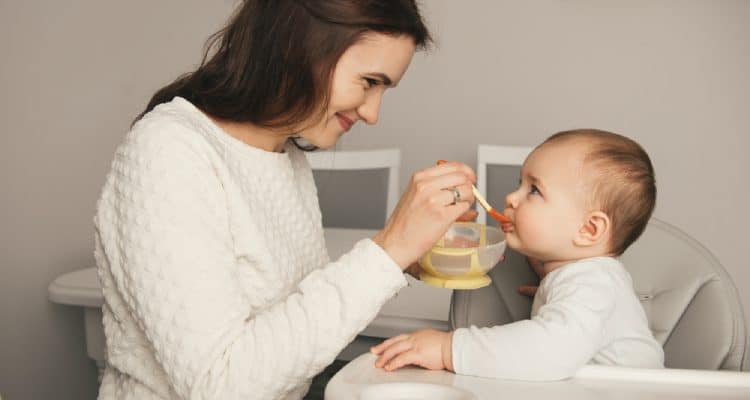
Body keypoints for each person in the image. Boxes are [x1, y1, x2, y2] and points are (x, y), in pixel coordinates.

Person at [93, 1, 479, 399]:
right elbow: (221, 384)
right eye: (368, 82)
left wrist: (406, 253)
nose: (373, 112)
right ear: (301, 47)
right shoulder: (167, 151)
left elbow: (289, 315)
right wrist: (388, 251)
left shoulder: (285, 155)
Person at [371, 129, 665, 380]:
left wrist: (448, 349)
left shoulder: (592, 284)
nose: (512, 198)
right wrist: (553, 290)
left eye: (534, 190)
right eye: (519, 184)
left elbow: (550, 351)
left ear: (589, 229)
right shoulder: (586, 278)